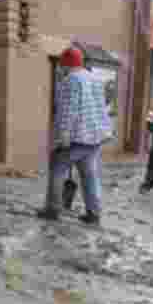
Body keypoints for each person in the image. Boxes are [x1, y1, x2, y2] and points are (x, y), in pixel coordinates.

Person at [37, 46, 114, 226]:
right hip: (94, 138)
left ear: (65, 64)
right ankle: (93, 213)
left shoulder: (70, 80)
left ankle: (52, 209)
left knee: (57, 170)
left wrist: (62, 137)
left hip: (75, 138)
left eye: (62, 64)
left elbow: (68, 111)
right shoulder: (94, 79)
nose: (61, 68)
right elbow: (102, 108)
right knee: (90, 175)